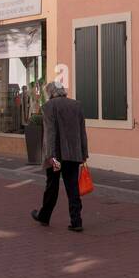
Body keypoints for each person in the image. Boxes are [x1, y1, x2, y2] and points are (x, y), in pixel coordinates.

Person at [31, 81, 88, 232]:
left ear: (50, 92)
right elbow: (82, 131)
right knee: (72, 186)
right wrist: (84, 152)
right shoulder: (77, 105)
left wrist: (50, 155)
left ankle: (44, 215)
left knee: (52, 185)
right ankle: (76, 221)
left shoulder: (49, 106)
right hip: (73, 155)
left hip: (56, 157)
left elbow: (50, 132)